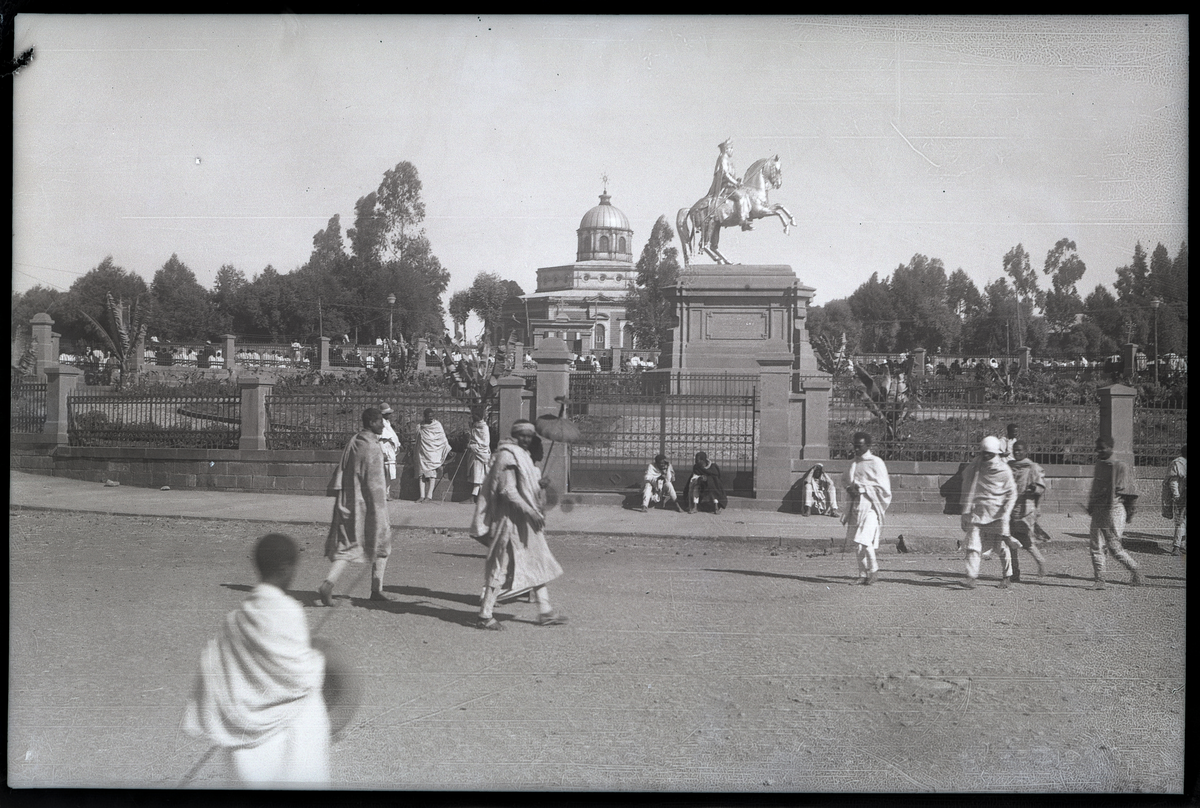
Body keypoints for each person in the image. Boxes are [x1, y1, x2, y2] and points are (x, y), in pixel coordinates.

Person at [183, 533, 330, 788]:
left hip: (246, 743)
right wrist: (319, 660)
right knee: (310, 706)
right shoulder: (289, 611)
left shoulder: (237, 617)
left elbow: (216, 662)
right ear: (286, 570)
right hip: (286, 738)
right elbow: (300, 674)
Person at [471, 420, 567, 630]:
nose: (526, 439)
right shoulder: (508, 456)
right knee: (501, 566)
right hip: (509, 523)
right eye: (522, 435)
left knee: (536, 561)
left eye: (528, 436)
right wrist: (531, 511)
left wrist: (538, 485)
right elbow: (508, 491)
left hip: (524, 522)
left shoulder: (524, 456)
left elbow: (525, 487)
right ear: (515, 435)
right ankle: (485, 615)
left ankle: (545, 611)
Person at [317, 408, 395, 607]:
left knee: (348, 546)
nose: (383, 425)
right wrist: (381, 512)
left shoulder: (355, 441)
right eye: (380, 421)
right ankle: (377, 590)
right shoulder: (372, 447)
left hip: (348, 502)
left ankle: (329, 582)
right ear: (371, 422)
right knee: (382, 545)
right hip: (368, 506)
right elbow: (375, 484)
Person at [959, 436, 1017, 590]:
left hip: (997, 514)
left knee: (1001, 547)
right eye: (984, 453)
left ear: (996, 454)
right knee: (973, 545)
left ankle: (1007, 576)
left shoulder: (1004, 470)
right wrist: (965, 511)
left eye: (989, 454)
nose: (986, 457)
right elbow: (967, 485)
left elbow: (1012, 493)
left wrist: (1006, 512)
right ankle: (971, 577)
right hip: (978, 512)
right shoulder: (976, 466)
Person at [1086, 436, 1143, 590]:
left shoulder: (1120, 466)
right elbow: (1095, 487)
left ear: (1111, 447)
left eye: (1102, 447)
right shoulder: (1099, 464)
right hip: (1099, 510)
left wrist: (1130, 513)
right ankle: (1100, 580)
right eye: (1097, 448)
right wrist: (1091, 504)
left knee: (1114, 547)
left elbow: (1129, 494)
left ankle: (1135, 570)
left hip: (1113, 511)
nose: (1099, 451)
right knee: (1096, 545)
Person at [841, 432, 892, 585]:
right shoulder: (852, 463)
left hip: (871, 507)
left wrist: (863, 489)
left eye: (860, 446)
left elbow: (884, 488)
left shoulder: (877, 463)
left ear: (868, 446)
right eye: (855, 446)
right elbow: (845, 481)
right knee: (858, 544)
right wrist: (850, 488)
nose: (856, 449)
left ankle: (874, 570)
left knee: (864, 539)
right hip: (857, 506)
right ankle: (862, 574)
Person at [1007, 439, 1049, 581]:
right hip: (1009, 508)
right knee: (1010, 540)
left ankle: (1040, 561)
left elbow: (1041, 486)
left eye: (1020, 450)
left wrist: (1034, 488)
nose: (1017, 452)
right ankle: (1015, 572)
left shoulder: (1033, 467)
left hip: (1024, 508)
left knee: (1023, 539)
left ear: (1026, 451)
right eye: (1015, 450)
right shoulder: (1009, 466)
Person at [707, 137, 752, 230]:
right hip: (725, 188)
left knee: (745, 192)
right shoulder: (723, 158)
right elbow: (725, 175)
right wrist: (735, 182)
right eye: (731, 148)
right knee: (740, 196)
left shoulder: (728, 161)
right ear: (726, 149)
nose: (732, 150)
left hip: (731, 186)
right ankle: (742, 220)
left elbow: (731, 176)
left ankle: (745, 215)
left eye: (732, 148)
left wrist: (737, 181)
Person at [416, 408, 450, 503]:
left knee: (431, 475)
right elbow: (417, 440)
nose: (431, 418)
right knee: (421, 475)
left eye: (432, 416)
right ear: (425, 416)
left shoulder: (437, 425)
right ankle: (421, 496)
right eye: (429, 416)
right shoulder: (420, 426)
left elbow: (443, 438)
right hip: (423, 453)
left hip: (433, 453)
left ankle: (429, 496)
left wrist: (447, 448)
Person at [378, 402, 402, 501]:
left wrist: (397, 444)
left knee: (389, 473)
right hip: (385, 448)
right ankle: (383, 493)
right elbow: (380, 439)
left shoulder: (387, 423)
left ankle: (386, 493)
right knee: (385, 472)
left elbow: (392, 435)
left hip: (390, 449)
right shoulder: (380, 423)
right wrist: (383, 452)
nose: (389, 415)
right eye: (387, 413)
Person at [1165, 445, 1186, 556]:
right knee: (1180, 521)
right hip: (1182, 496)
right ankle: (1176, 546)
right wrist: (1177, 495)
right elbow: (1173, 482)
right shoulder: (1178, 463)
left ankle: (1182, 544)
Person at [467, 407, 491, 503]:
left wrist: (473, 446)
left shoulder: (484, 428)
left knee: (479, 476)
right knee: (478, 475)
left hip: (481, 454)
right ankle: (480, 498)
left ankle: (474, 497)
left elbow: (485, 443)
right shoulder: (475, 427)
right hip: (475, 454)